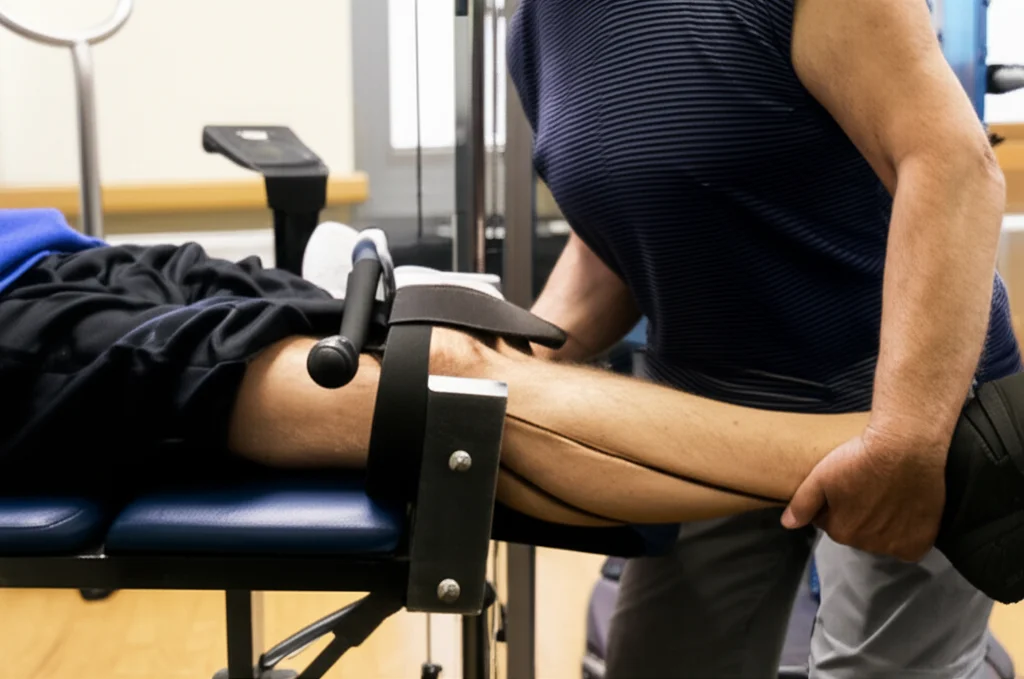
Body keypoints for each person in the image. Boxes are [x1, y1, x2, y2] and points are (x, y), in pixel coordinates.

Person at [0, 208, 1021, 615]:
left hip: (64, 253)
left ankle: (936, 461)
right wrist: (903, 442)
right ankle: (950, 464)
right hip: (18, 330)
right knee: (439, 384)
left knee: (453, 357)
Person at [505, 0, 1017, 677]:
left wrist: (907, 443)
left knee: (883, 668)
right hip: (712, 409)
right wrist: (510, 360)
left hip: (905, 394)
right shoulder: (538, 26)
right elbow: (618, 240)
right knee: (658, 663)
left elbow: (953, 164)